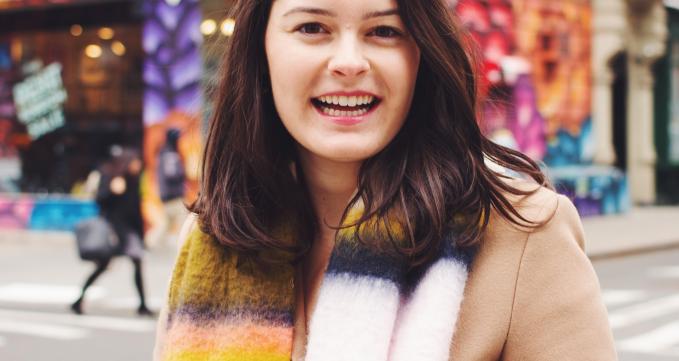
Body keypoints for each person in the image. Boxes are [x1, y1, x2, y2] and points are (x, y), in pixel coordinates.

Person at [154, 0, 617, 360]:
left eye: (384, 31)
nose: (349, 62)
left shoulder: (523, 234)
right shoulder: (212, 238)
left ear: (423, 55)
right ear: (262, 51)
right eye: (312, 27)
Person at [71, 146, 153, 316]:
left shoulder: (134, 180)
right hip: (114, 231)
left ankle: (142, 304)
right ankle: (79, 300)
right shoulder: (111, 176)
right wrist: (112, 191)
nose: (138, 165)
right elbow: (100, 201)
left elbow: (136, 210)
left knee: (135, 262)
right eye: (136, 162)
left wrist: (141, 233)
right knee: (104, 266)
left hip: (129, 231)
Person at [147, 128, 187, 248]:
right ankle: (184, 246)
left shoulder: (165, 153)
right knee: (182, 222)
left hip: (168, 195)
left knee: (166, 223)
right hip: (173, 195)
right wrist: (183, 172)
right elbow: (172, 173)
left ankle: (150, 242)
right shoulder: (170, 154)